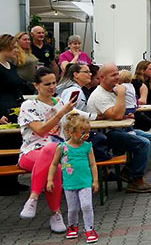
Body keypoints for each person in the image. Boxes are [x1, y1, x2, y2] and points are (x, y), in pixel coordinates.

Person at [17, 67, 90, 233]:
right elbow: (41, 130)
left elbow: (76, 118)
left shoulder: (59, 103)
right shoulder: (29, 105)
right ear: (36, 85)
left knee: (55, 159)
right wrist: (60, 113)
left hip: (58, 151)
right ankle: (53, 211)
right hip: (31, 151)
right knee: (53, 156)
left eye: (54, 83)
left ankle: (35, 200)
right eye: (47, 84)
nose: (51, 87)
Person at [87, 63, 151, 193]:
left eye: (117, 74)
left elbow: (117, 114)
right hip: (105, 135)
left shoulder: (112, 90)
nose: (117, 77)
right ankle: (136, 180)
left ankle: (129, 172)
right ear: (102, 77)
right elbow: (116, 116)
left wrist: (125, 115)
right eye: (113, 75)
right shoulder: (100, 95)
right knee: (143, 143)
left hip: (117, 129)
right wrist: (121, 95)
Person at [46, 114, 99, 242]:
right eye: (82, 132)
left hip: (85, 182)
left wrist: (95, 180)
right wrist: (49, 179)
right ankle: (72, 226)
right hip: (70, 183)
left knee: (86, 205)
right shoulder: (62, 147)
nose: (86, 135)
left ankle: (89, 228)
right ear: (70, 132)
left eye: (88, 132)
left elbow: (93, 164)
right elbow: (54, 164)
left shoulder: (87, 146)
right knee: (73, 208)